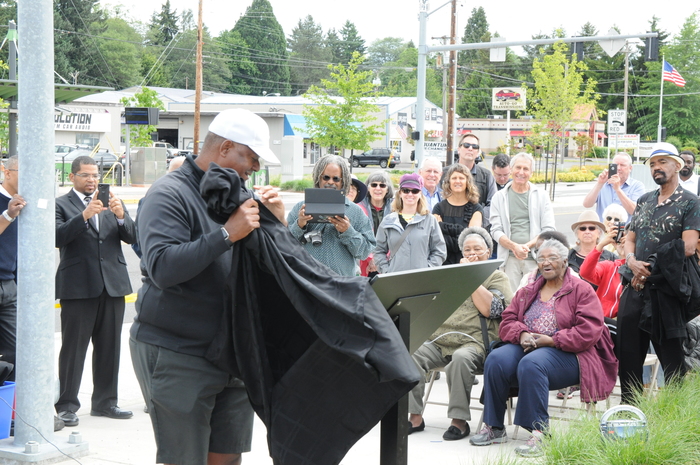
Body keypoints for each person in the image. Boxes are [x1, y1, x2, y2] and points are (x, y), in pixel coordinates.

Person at [131, 108, 286, 465]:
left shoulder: (235, 194)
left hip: (231, 353)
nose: (256, 168)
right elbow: (162, 268)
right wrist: (227, 234)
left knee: (226, 459)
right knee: (184, 459)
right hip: (178, 352)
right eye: (252, 157)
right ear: (226, 148)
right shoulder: (168, 194)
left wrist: (277, 226)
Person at [469, 239, 617, 457]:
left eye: (552, 258)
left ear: (565, 261)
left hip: (571, 353)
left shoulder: (581, 290)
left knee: (532, 363)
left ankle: (539, 433)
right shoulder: (528, 291)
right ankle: (494, 427)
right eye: (541, 259)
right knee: (497, 359)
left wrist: (552, 340)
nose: (546, 263)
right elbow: (508, 319)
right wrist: (522, 334)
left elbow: (590, 331)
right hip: (530, 345)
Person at [407, 227, 512, 440]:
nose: (472, 253)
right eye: (467, 250)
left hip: (474, 343)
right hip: (440, 339)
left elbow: (490, 310)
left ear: (489, 251)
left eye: (477, 249)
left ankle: (459, 421)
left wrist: (471, 276)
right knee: (411, 353)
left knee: (460, 359)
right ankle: (414, 417)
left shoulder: (497, 277)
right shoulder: (451, 274)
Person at [55, 156, 136, 427]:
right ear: (72, 177)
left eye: (95, 175)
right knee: (73, 350)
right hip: (78, 287)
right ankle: (66, 405)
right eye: (86, 175)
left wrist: (122, 216)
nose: (92, 180)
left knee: (109, 348)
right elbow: (57, 237)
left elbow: (132, 236)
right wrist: (85, 215)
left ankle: (106, 402)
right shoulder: (61, 205)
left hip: (112, 285)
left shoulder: (112, 201)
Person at [618, 142, 700, 403]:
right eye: (653, 164)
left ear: (678, 165)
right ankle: (629, 415)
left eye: (662, 162)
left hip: (665, 291)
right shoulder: (644, 200)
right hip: (635, 287)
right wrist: (631, 261)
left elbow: (687, 246)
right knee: (628, 356)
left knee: (672, 362)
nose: (656, 168)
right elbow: (629, 239)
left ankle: (675, 420)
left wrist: (650, 265)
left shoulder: (690, 202)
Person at [288, 156, 376, 277]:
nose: (330, 182)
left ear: (343, 181)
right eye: (326, 177)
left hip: (341, 285)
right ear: (318, 178)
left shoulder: (356, 212)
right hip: (307, 282)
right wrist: (299, 224)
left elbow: (365, 252)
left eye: (336, 179)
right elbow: (285, 246)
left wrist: (348, 231)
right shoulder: (301, 208)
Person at [490, 152, 555, 292]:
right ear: (511, 169)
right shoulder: (499, 197)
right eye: (518, 167)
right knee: (511, 303)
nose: (521, 172)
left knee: (535, 301)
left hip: (535, 259)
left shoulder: (542, 196)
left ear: (531, 172)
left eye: (526, 169)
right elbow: (496, 230)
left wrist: (526, 246)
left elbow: (548, 230)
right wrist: (514, 247)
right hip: (509, 260)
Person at [374, 173, 446, 273]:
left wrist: (428, 269)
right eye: (406, 190)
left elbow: (439, 250)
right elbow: (378, 250)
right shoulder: (388, 221)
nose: (410, 194)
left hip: (422, 281)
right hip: (395, 280)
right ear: (400, 193)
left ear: (420, 194)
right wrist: (387, 271)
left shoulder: (430, 220)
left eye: (415, 191)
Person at [0, 157, 24, 376]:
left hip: (9, 285)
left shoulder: (27, 203)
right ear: (7, 173)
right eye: (22, 172)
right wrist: (8, 215)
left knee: (18, 350)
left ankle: (12, 406)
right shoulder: (10, 207)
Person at [433, 164, 483, 265]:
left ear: (467, 182)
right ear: (449, 182)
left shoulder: (476, 209)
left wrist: (442, 226)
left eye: (461, 178)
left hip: (466, 262)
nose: (457, 181)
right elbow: (436, 239)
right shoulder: (438, 208)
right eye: (454, 178)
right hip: (442, 261)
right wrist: (462, 231)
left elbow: (470, 241)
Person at [444, 134, 497, 226]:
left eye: (475, 146)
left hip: (476, 231)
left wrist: (478, 220)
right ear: (459, 149)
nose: (470, 148)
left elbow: (493, 203)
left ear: (478, 152)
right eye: (466, 145)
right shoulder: (444, 173)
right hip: (447, 226)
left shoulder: (486, 175)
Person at [580, 223, 627, 319]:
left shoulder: (639, 269)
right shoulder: (609, 266)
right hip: (601, 321)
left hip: (623, 323)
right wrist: (600, 245)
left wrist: (627, 255)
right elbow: (585, 273)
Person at [582, 152, 645, 220]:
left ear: (630, 168)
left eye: (622, 165)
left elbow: (635, 211)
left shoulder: (637, 186)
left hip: (625, 229)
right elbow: (587, 204)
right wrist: (599, 184)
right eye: (615, 165)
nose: (618, 168)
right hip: (604, 229)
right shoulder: (603, 184)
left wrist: (618, 190)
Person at [568, 210, 616, 277]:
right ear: (577, 234)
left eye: (592, 228)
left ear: (599, 233)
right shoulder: (567, 257)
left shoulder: (611, 258)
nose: (587, 231)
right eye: (582, 228)